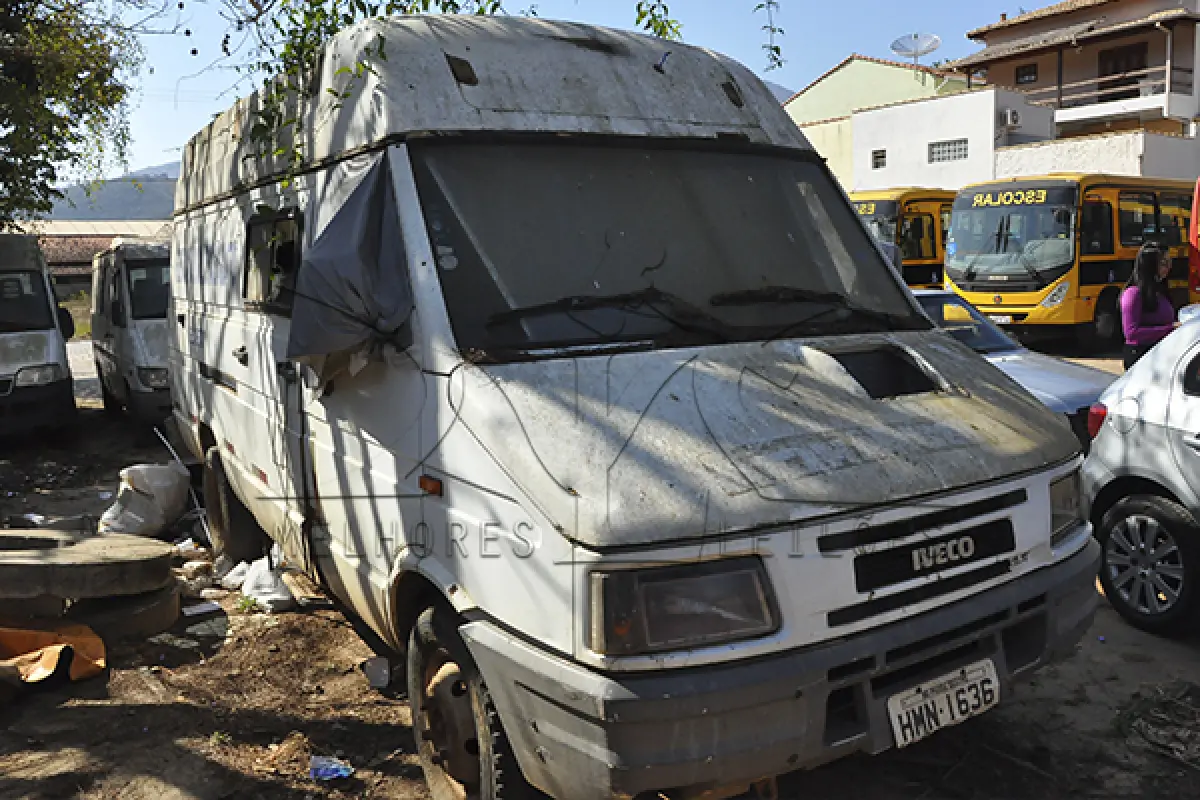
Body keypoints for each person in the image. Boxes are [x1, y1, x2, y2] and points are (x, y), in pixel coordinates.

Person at [1120, 243, 1177, 369]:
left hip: (1161, 355)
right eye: (1163, 263)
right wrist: (1169, 329)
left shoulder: (1160, 291)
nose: (1168, 267)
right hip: (1141, 358)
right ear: (1149, 265)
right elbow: (1131, 333)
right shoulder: (1133, 294)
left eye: (1170, 262)